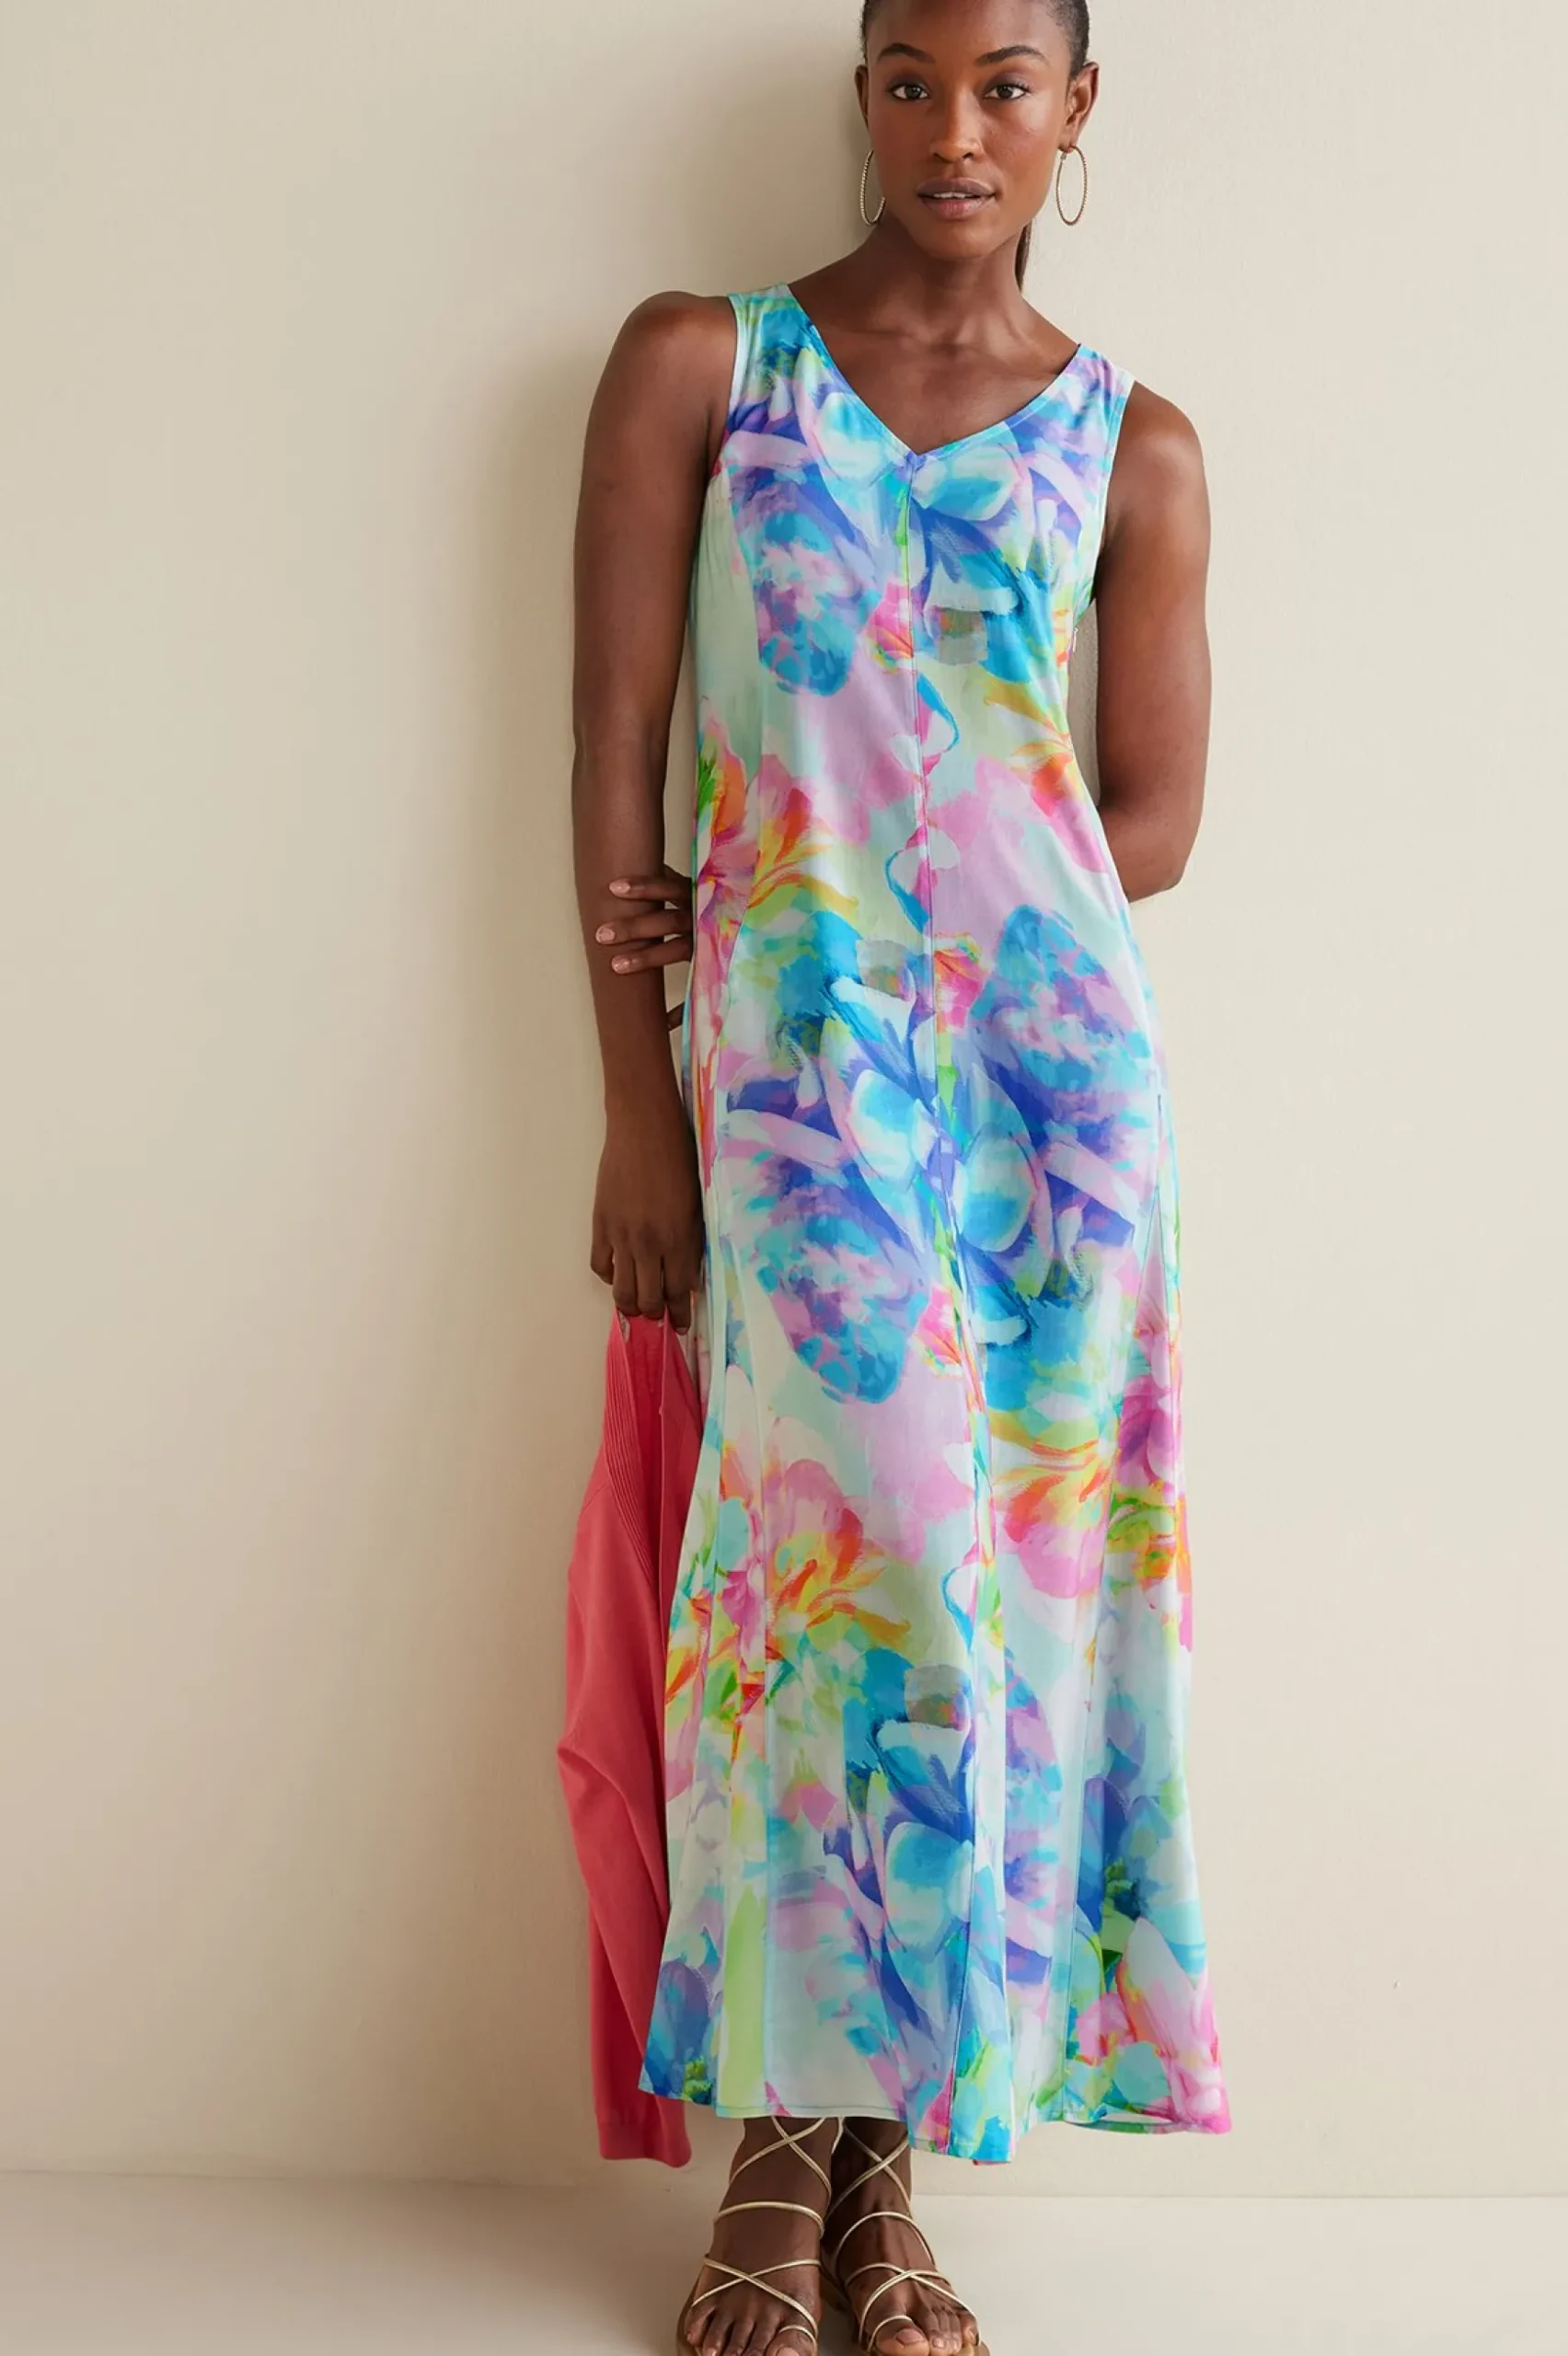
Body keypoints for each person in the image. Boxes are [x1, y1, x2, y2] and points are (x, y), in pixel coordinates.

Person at [570, 4, 1230, 2350]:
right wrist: (640, 1102)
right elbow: (616, 750)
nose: (957, 127)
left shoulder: (1135, 442)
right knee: (839, 1575)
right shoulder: (704, 367)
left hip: (1057, 1106)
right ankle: (784, 2138)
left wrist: (945, 850)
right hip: (795, 1077)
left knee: (1003, 1608)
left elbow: (1154, 813)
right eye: (911, 78)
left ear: (1075, 107)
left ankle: (879, 2173)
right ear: (864, 93)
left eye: (1006, 82)